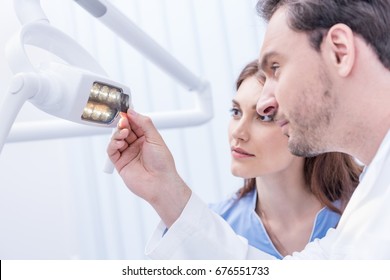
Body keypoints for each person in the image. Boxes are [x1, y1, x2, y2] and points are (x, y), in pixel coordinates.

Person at [107, 0, 390, 259]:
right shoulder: (364, 214)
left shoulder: (362, 205)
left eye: (276, 67)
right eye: (236, 112)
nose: (269, 102)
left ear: (339, 51)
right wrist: (163, 189)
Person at [209, 60, 361, 258]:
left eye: (264, 117)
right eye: (236, 112)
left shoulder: (363, 207)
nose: (238, 132)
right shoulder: (215, 226)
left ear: (306, 126)